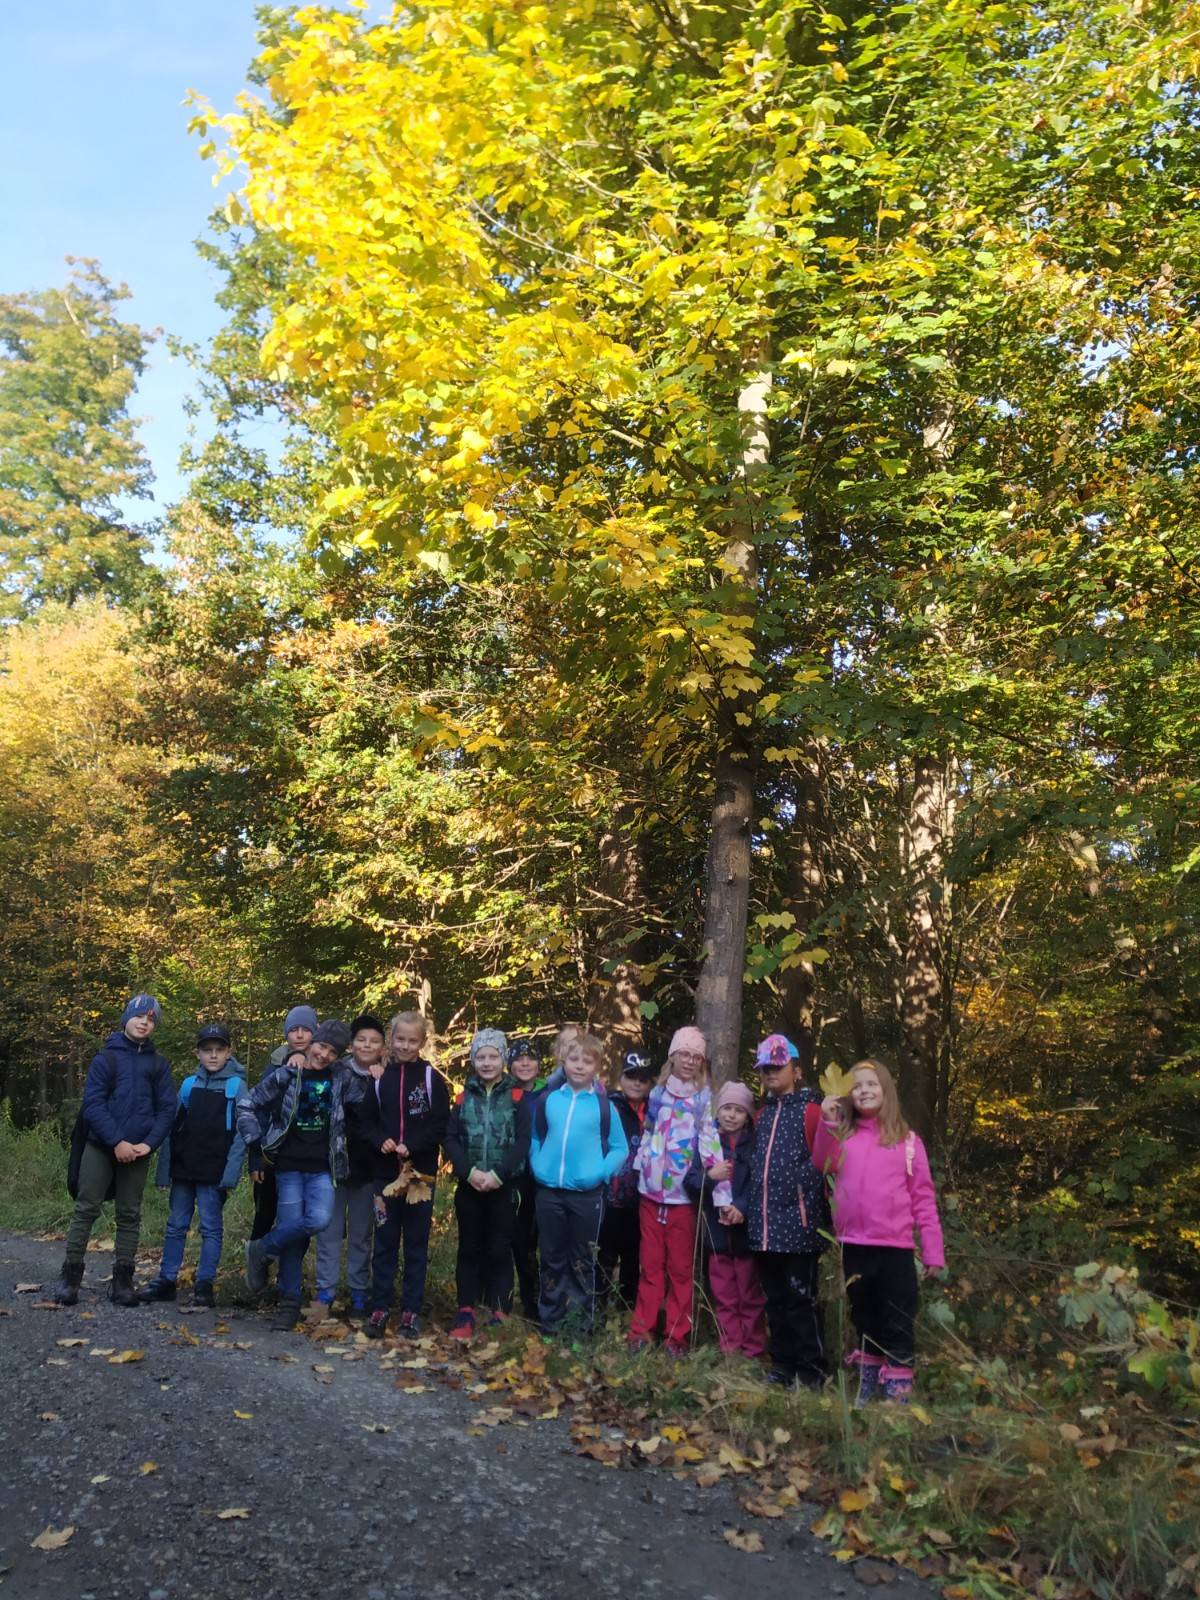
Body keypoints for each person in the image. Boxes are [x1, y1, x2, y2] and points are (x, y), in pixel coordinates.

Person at [812, 1058, 945, 1404]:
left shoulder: (907, 1142)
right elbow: (821, 1162)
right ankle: (869, 1379)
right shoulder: (843, 1136)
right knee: (864, 1315)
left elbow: (923, 1199)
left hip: (895, 1247)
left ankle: (898, 1387)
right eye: (856, 1086)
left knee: (897, 1316)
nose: (864, 1090)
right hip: (854, 1244)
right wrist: (828, 1122)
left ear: (886, 1091)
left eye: (872, 1084)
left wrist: (933, 1250)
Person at [238, 1019, 363, 1331]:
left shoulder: (341, 1077)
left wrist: (379, 1067)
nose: (324, 1055)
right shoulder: (286, 1074)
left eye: (333, 1052)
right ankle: (289, 1302)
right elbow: (247, 1104)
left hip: (323, 1168)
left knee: (319, 1220)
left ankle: (261, 1248)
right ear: (312, 1042)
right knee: (293, 1236)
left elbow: (365, 1101)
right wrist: (255, 1141)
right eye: (321, 1046)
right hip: (288, 1168)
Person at [55, 995, 177, 1309]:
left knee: (129, 1213)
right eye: (139, 1017)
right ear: (126, 1019)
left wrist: (149, 1144)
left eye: (150, 1020)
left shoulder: (158, 1064)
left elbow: (167, 1109)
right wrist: (116, 1141)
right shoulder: (106, 1059)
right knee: (86, 1207)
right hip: (101, 1145)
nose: (144, 1023)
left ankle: (123, 1281)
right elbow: (93, 1104)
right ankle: (70, 1277)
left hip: (139, 1150)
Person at [139, 1023, 247, 1308]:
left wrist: (231, 1173)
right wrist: (164, 1172)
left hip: (214, 1171)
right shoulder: (188, 1085)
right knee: (176, 1225)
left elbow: (243, 1134)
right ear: (197, 1053)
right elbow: (172, 1129)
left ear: (228, 1052)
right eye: (207, 1050)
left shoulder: (236, 1087)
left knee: (210, 1227)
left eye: (219, 1050)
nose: (213, 1055)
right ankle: (166, 1279)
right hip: (184, 1169)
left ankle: (204, 1283)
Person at [628, 1026, 721, 1355]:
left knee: (680, 1270)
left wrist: (718, 1184)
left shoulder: (703, 1098)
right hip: (651, 1195)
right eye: (685, 1054)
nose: (690, 1061)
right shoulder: (657, 1093)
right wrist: (640, 1166)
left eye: (696, 1057)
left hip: (683, 1199)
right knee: (650, 1267)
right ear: (673, 1056)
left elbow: (709, 1142)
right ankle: (641, 1332)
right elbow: (649, 1131)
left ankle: (676, 1336)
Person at [745, 1033, 830, 1389]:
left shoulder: (813, 1112)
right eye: (765, 1068)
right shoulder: (761, 1115)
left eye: (777, 1067)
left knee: (800, 1301)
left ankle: (812, 1371)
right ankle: (782, 1366)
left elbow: (828, 1161)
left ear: (796, 1070)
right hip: (764, 1227)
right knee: (775, 1301)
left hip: (800, 1227)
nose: (770, 1074)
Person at [529, 1032, 628, 1337]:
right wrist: (538, 1165)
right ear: (564, 1061)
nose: (580, 1066)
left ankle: (579, 1330)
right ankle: (550, 1325)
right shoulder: (549, 1099)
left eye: (587, 1061)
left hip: (587, 1196)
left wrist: (598, 1173)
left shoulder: (603, 1106)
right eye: (574, 1059)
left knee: (582, 1262)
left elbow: (620, 1148)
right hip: (549, 1193)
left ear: (597, 1066)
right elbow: (536, 1137)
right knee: (551, 1259)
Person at [363, 1011, 450, 1340]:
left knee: (415, 1243)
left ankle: (411, 1311)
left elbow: (440, 1124)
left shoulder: (430, 1078)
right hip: (385, 1176)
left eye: (412, 1041)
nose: (405, 1046)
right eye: (400, 1039)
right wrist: (380, 1141)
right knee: (384, 1243)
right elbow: (366, 1122)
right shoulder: (378, 1078)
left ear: (422, 1042)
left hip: (419, 1177)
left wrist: (411, 1145)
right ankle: (380, 1308)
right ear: (391, 1039)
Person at [444, 1028, 532, 1340]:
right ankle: (466, 1309)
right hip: (470, 1185)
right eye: (480, 1056)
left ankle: (500, 1310)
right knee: (469, 1247)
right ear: (473, 1060)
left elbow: (523, 1142)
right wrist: (468, 1172)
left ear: (503, 1059)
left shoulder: (517, 1097)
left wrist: (498, 1175)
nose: (487, 1062)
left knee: (499, 1248)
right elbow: (450, 1139)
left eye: (493, 1056)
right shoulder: (463, 1097)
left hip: (503, 1186)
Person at [685, 1079, 766, 1360]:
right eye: (727, 1108)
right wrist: (711, 1176)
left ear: (748, 1115)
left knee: (750, 1295)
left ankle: (753, 1350)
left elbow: (760, 1183)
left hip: (746, 1236)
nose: (731, 1115)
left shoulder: (755, 1145)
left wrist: (742, 1206)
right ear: (717, 1111)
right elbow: (690, 1182)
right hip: (717, 1236)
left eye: (739, 1110)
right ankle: (731, 1349)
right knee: (724, 1295)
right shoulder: (706, 1143)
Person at [314, 1013, 387, 1317]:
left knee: (361, 1234)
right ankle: (325, 1293)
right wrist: (293, 1056)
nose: (367, 1045)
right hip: (334, 1167)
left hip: (370, 1171)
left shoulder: (388, 1077)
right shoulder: (336, 1071)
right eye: (361, 1040)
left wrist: (380, 1082)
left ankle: (359, 1292)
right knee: (328, 1232)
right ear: (351, 1044)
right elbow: (310, 1064)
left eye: (374, 1041)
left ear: (383, 1047)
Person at [250, 1005, 318, 1257]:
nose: (299, 1035)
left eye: (305, 1029)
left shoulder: (324, 1065)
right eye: (293, 1030)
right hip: (272, 1157)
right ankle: (257, 1264)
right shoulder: (274, 1066)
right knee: (264, 1214)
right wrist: (255, 1158)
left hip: (307, 1157)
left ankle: (290, 1272)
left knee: (300, 1219)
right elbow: (259, 1113)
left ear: (315, 1032)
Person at [597, 1048, 653, 1314]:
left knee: (633, 1257)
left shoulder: (657, 1110)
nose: (637, 1083)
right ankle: (597, 1311)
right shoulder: (608, 1105)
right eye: (631, 1077)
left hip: (642, 1198)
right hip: (609, 1196)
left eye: (643, 1078)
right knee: (605, 1255)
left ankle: (626, 1312)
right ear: (621, 1078)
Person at [506, 1036, 545, 1319]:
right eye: (518, 1059)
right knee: (516, 1239)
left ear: (539, 1064)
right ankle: (512, 1299)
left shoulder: (551, 1093)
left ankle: (540, 1299)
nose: (524, 1063)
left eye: (530, 1058)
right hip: (513, 1176)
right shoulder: (504, 1093)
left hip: (543, 1177)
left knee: (539, 1241)